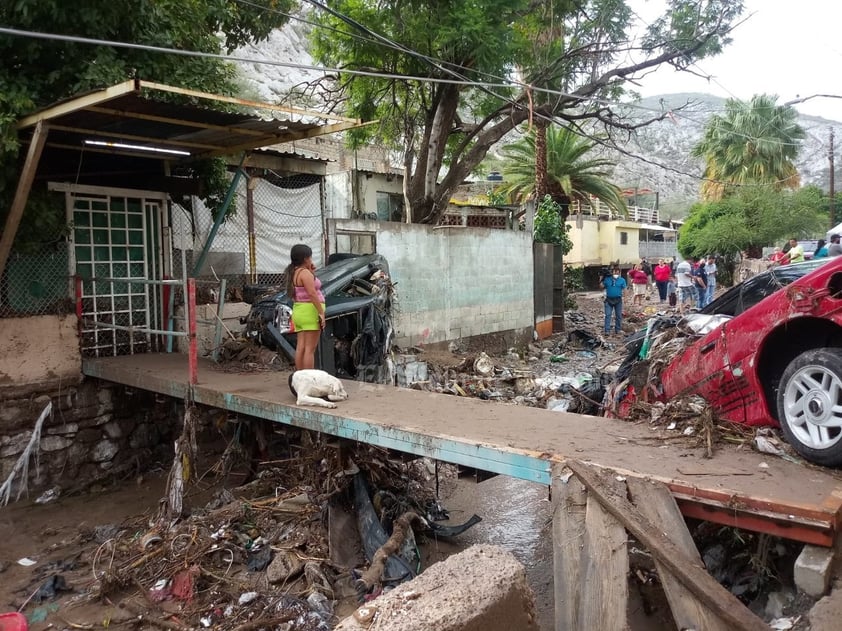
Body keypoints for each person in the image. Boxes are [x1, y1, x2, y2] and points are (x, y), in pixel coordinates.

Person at [284, 243, 325, 371]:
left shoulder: (294, 273)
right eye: (310, 258)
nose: (311, 260)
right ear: (306, 258)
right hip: (310, 312)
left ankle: (300, 377)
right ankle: (309, 379)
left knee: (301, 347)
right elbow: (312, 293)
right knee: (310, 349)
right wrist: (321, 313)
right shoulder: (305, 274)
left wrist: (311, 271)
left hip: (299, 311)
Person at [600, 266, 626, 336]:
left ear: (619, 273)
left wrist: (625, 298)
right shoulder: (607, 279)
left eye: (618, 272)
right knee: (608, 315)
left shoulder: (622, 280)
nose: (616, 274)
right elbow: (601, 287)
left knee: (618, 315)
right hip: (609, 300)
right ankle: (607, 330)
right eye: (615, 272)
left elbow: (624, 289)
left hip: (618, 300)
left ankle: (618, 329)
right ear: (612, 272)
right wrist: (601, 278)